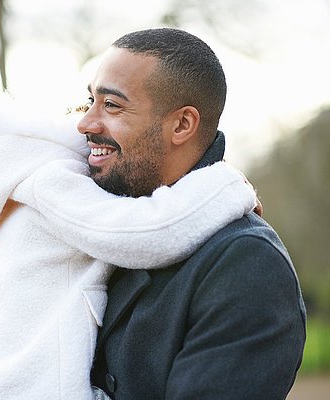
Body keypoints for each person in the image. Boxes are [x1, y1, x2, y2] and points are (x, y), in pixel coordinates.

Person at [0, 98, 257, 399]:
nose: (94, 127)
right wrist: (226, 186)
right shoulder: (50, 180)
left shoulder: (18, 185)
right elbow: (147, 233)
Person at [84, 28, 306, 399]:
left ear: (183, 125)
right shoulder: (96, 219)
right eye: (89, 101)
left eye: (112, 105)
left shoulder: (247, 264)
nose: (86, 123)